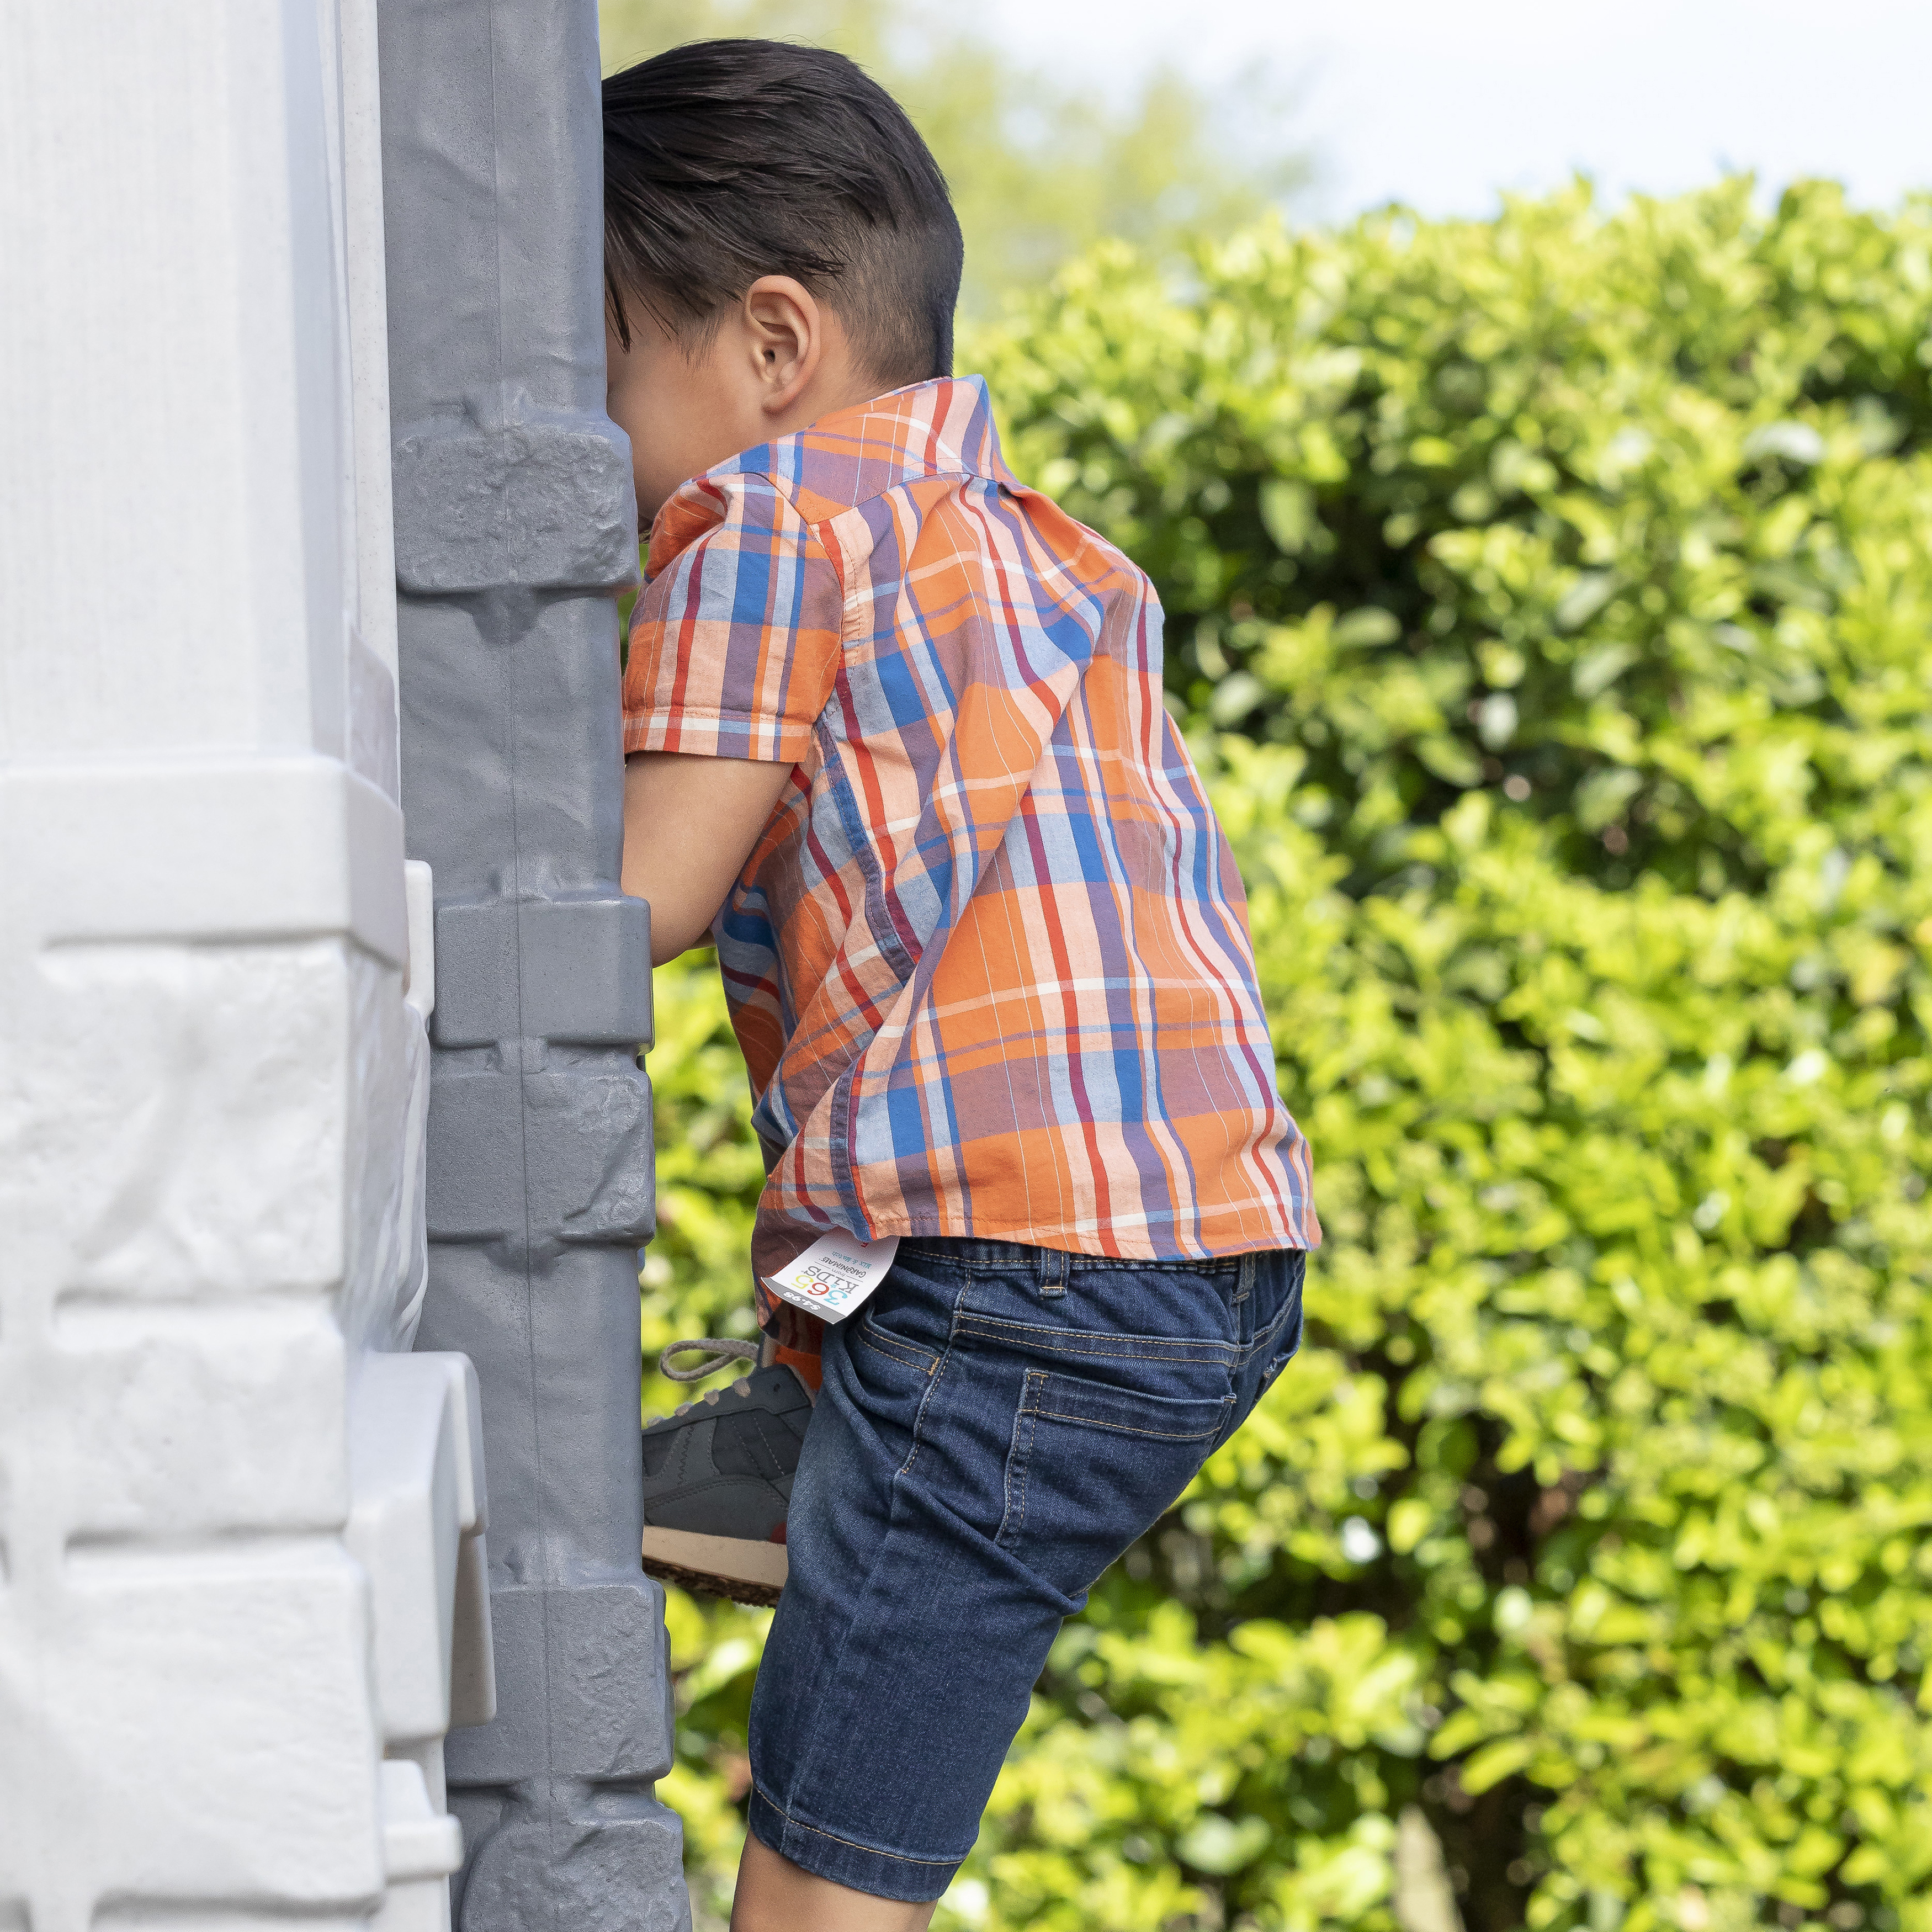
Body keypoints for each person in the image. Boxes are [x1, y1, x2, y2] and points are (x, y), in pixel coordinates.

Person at [604, 39, 1318, 1932]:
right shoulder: (1039, 549)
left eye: (605, 373)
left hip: (1014, 1291)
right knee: (887, 1526)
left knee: (824, 1883)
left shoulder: (767, 520)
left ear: (772, 345)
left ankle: (828, 1463)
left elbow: (634, 899)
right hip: (1205, 1258)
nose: (596, 447)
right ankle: (797, 1447)